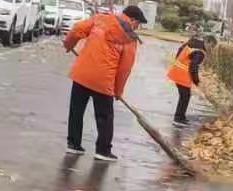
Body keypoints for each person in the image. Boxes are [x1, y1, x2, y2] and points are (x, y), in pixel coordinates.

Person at [63, 5, 147, 161]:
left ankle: (73, 144)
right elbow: (124, 69)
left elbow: (76, 30)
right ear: (133, 20)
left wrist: (69, 44)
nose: (137, 27)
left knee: (76, 111)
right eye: (138, 24)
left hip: (82, 74)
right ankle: (103, 151)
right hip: (103, 81)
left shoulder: (100, 19)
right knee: (105, 117)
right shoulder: (130, 39)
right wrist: (118, 90)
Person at [167, 35, 217, 127]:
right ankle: (178, 118)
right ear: (208, 42)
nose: (211, 49)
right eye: (212, 46)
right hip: (182, 75)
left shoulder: (192, 43)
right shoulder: (200, 52)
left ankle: (180, 117)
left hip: (177, 71)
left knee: (184, 96)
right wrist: (197, 82)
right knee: (185, 97)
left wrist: (179, 61)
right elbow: (193, 68)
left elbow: (180, 49)